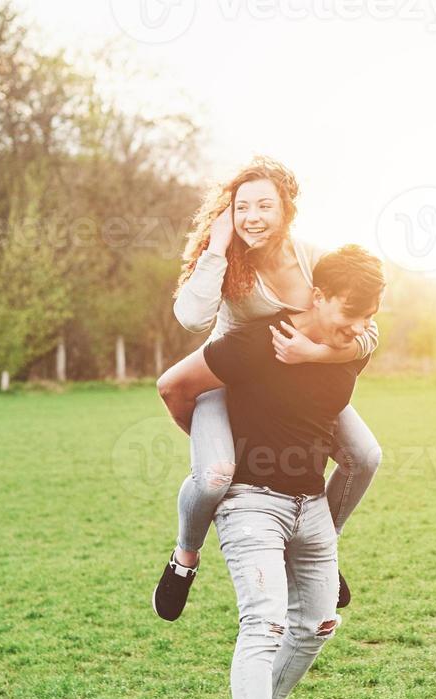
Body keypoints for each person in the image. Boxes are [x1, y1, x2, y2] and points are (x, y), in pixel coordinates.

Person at [156, 245, 383, 699]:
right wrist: (211, 436)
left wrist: (324, 348)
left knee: (319, 622)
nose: (356, 330)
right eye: (348, 316)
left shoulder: (344, 348)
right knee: (264, 622)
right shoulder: (254, 342)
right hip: (252, 503)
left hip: (311, 507)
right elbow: (175, 385)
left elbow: (357, 342)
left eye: (364, 321)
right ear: (319, 295)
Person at [153, 158, 382, 623]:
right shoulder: (229, 262)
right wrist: (217, 245)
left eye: (264, 206)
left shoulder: (314, 260)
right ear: (227, 214)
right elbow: (192, 319)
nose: (252, 217)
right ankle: (184, 558)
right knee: (215, 474)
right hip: (231, 378)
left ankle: (322, 549)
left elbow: (366, 333)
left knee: (366, 455)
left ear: (287, 211)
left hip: (299, 381)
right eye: (240, 208)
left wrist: (316, 356)